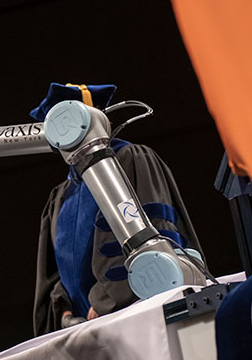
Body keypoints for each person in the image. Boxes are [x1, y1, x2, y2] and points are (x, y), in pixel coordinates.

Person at [32, 82, 201, 335]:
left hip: (133, 318)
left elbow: (155, 235)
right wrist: (64, 311)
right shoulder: (60, 195)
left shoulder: (128, 160)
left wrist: (105, 300)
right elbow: (56, 270)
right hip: (85, 331)